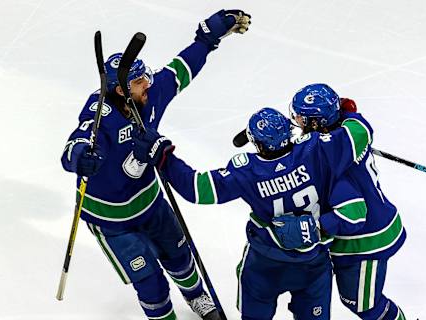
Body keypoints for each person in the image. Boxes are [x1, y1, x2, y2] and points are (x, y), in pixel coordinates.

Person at [60, 9, 251, 320]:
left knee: (180, 257)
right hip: (112, 221)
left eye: (145, 76)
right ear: (121, 90)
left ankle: (196, 297)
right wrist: (82, 158)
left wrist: (207, 38)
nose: (148, 83)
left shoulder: (147, 95)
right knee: (150, 284)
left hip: (151, 204)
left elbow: (179, 71)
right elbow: (72, 147)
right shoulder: (100, 116)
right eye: (139, 81)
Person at [130, 107, 374, 319]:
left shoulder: (246, 171)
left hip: (264, 265)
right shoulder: (318, 151)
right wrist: (342, 111)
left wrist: (164, 157)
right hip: (314, 264)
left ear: (257, 144)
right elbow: (359, 135)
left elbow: (196, 189)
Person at [290, 83, 407, 320]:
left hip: (366, 238)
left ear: (316, 123)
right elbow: (355, 121)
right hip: (362, 228)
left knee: (364, 305)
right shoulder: (354, 128)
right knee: (354, 300)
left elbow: (310, 152)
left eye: (302, 118)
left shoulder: (324, 155)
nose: (297, 121)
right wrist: (344, 110)